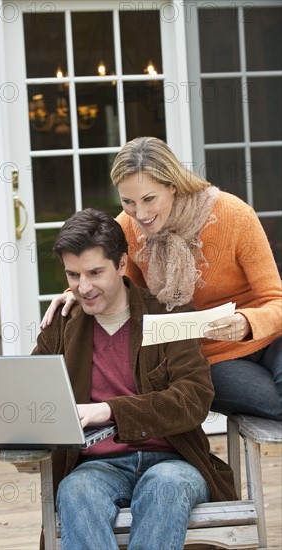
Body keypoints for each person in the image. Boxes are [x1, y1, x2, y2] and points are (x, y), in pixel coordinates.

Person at [33, 208, 237, 550]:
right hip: (96, 466)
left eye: (95, 272)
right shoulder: (62, 324)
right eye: (73, 275)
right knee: (75, 490)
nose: (83, 287)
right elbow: (34, 396)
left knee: (165, 486)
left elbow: (192, 399)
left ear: (122, 264)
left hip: (174, 461)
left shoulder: (169, 315)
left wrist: (109, 411)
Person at [41, 137, 282, 421]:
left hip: (270, 338)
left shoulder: (234, 216)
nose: (140, 214)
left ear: (173, 186)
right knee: (274, 404)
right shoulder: (127, 229)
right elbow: (118, 285)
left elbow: (275, 299)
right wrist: (80, 289)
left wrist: (246, 323)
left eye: (149, 199)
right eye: (128, 201)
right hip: (207, 356)